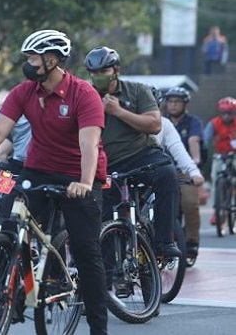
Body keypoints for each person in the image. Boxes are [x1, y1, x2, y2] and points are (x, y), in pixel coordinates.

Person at [0, 29, 109, 335]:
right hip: (37, 170)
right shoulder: (24, 92)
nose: (27, 64)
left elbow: (89, 145)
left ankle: (98, 328)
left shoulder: (84, 94)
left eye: (32, 58)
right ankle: (14, 291)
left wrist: (83, 181)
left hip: (79, 174)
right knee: (5, 221)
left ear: (51, 60)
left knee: (85, 250)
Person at [85, 46, 182, 258]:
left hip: (141, 156)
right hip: (104, 163)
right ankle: (108, 275)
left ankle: (164, 242)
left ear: (116, 70)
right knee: (102, 217)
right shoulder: (85, 95)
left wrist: (118, 111)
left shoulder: (137, 90)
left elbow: (154, 124)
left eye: (103, 72)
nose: (97, 77)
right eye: (93, 73)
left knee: (167, 174)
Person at [162, 87, 206, 258]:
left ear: (185, 104)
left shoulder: (193, 122)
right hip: (164, 171)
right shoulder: (161, 121)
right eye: (170, 101)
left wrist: (194, 160)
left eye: (177, 102)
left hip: (185, 171)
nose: (173, 105)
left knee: (190, 203)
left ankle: (191, 242)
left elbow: (194, 140)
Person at [203, 96, 236, 224]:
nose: (226, 116)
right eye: (223, 113)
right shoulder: (214, 123)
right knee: (215, 177)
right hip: (220, 154)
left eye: (229, 113)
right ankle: (217, 210)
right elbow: (206, 138)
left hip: (234, 154)